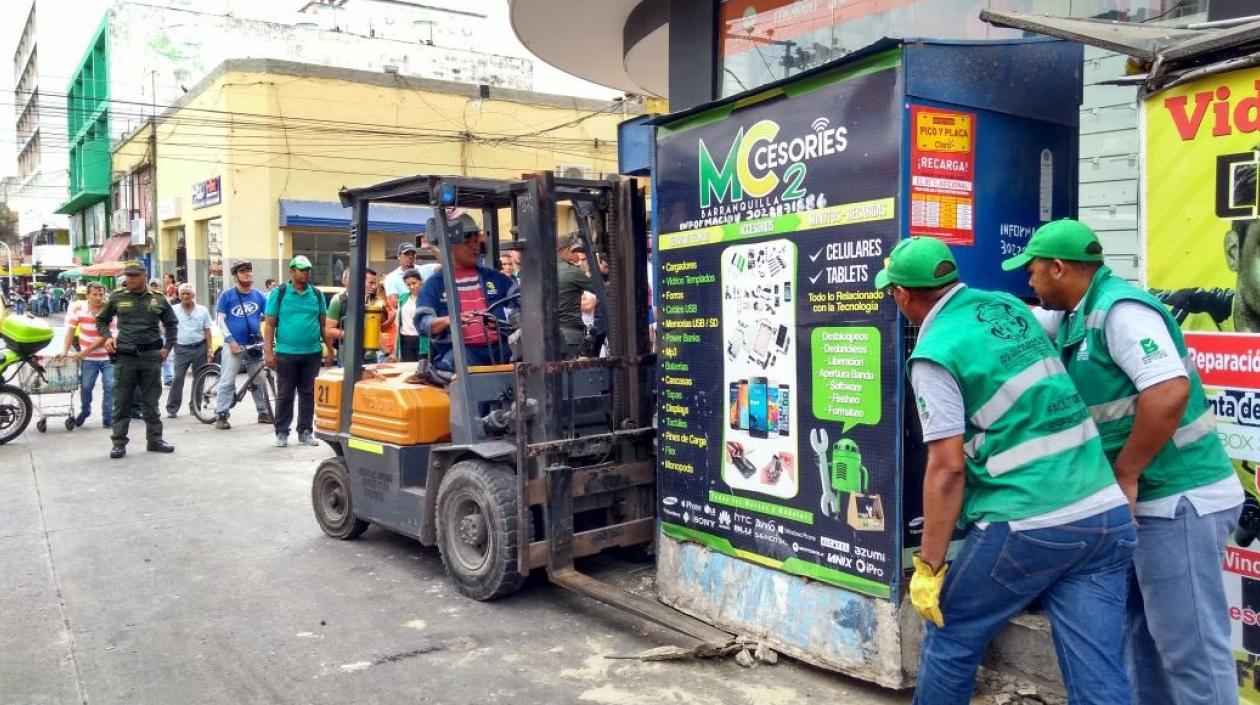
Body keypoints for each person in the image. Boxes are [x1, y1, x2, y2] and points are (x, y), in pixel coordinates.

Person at [874, 237, 1134, 705]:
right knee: (1098, 669)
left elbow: (947, 469)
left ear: (901, 295)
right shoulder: (1005, 307)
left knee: (951, 636)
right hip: (1105, 512)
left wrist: (929, 566)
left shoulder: (935, 353)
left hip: (1028, 522)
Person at [1004, 219, 1243, 705]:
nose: (1027, 280)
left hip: (1180, 500)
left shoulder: (1121, 312)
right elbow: (1020, 317)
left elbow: (1169, 390)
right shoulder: (1074, 315)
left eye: (1032, 271)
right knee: (1138, 641)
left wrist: (1126, 472)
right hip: (1142, 507)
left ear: (1058, 267)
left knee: (1191, 651)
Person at [96, 260, 178, 459]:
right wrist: (107, 337)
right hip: (126, 357)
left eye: (134, 275)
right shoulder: (117, 297)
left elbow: (172, 324)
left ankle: (155, 440)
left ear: (144, 275)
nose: (130, 279)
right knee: (122, 401)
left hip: (151, 356)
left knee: (151, 402)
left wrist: (167, 348)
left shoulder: (158, 298)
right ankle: (118, 443)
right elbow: (101, 320)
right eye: (128, 275)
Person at [415, 213, 515, 371]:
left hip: (499, 350)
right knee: (461, 361)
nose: (475, 247)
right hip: (461, 353)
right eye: (467, 242)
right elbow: (423, 323)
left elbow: (521, 301)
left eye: (476, 242)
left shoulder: (495, 278)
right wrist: (450, 320)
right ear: (450, 245)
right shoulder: (434, 284)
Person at [263, 255, 330, 448]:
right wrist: (268, 352)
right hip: (286, 353)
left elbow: (323, 324)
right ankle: (282, 432)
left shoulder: (316, 295)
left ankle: (305, 431)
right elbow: (269, 325)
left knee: (308, 393)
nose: (305, 273)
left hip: (312, 352)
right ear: (292, 271)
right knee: (285, 394)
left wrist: (330, 349)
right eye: (302, 270)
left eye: (308, 270)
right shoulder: (280, 293)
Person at [214, 259, 272, 429]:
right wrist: (230, 340)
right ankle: (222, 414)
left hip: (254, 345)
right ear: (235, 276)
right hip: (234, 345)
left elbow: (270, 318)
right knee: (227, 380)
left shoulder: (260, 296)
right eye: (242, 271)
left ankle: (263, 412)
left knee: (259, 380)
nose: (247, 273)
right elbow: (220, 320)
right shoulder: (227, 296)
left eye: (249, 270)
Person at [60, 281, 113, 427]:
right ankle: (85, 411)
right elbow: (70, 330)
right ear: (88, 295)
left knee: (110, 386)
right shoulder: (78, 308)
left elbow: (106, 336)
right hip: (88, 359)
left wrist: (84, 352)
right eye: (94, 294)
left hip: (108, 356)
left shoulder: (110, 309)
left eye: (101, 294)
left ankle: (108, 418)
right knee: (86, 387)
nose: (98, 298)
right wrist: (65, 350)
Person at [164, 283, 213, 419]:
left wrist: (210, 349)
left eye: (188, 294)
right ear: (179, 296)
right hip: (181, 348)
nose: (186, 296)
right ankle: (172, 408)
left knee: (199, 378)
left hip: (200, 346)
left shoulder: (202, 310)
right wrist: (170, 343)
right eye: (183, 294)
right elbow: (165, 326)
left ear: (193, 295)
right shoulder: (173, 310)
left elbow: (207, 330)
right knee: (178, 378)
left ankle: (195, 407)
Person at [325, 268, 382, 365]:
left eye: (375, 283)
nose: (374, 286)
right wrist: (352, 335)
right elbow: (329, 330)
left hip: (371, 357)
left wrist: (388, 353)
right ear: (359, 282)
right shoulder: (340, 301)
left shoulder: (373, 302)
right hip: (349, 357)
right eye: (371, 283)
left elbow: (377, 331)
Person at [557, 235, 598, 358]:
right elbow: (600, 290)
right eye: (576, 251)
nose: (578, 256)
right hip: (571, 335)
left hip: (547, 336)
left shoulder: (542, 270)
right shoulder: (571, 271)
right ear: (566, 250)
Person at [394, 269, 423, 362]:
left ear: (420, 281)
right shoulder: (403, 298)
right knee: (408, 368)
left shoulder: (427, 297)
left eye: (414, 283)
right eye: (408, 284)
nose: (412, 286)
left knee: (423, 369)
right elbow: (398, 322)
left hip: (423, 339)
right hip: (406, 339)